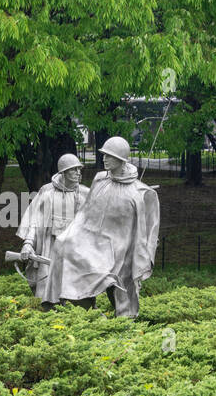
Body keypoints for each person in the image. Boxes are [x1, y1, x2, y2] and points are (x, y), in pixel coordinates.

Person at [42, 136, 159, 318]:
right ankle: (82, 306)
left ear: (121, 158)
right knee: (63, 246)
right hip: (95, 239)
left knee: (115, 270)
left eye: (109, 156)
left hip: (121, 248)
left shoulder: (141, 192)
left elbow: (150, 232)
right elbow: (85, 214)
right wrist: (69, 235)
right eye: (103, 155)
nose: (104, 159)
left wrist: (144, 254)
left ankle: (124, 316)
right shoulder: (100, 180)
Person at [16, 154, 89, 304]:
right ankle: (50, 308)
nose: (78, 173)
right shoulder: (47, 192)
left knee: (76, 287)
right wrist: (28, 243)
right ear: (63, 172)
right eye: (73, 170)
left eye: (79, 169)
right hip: (51, 245)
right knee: (48, 285)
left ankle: (79, 309)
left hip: (74, 247)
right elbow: (35, 219)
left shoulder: (84, 193)